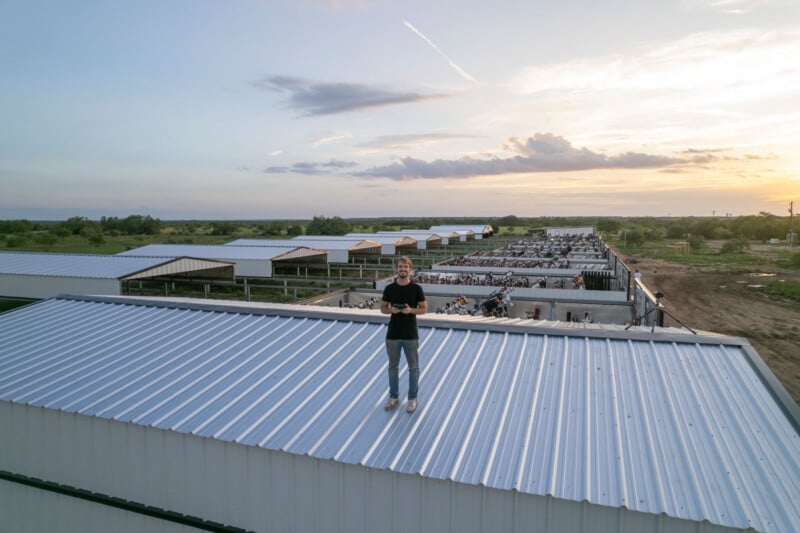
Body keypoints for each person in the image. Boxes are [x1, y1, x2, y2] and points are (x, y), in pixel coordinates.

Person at [380, 256, 427, 413]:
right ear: (397, 269)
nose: (403, 269)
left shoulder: (416, 289)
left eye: (405, 267)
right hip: (393, 335)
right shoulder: (389, 289)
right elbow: (383, 308)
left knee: (413, 368)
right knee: (393, 367)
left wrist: (410, 310)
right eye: (400, 267)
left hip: (410, 335)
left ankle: (412, 399)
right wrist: (390, 310)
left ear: (410, 269)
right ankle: (393, 397)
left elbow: (424, 309)